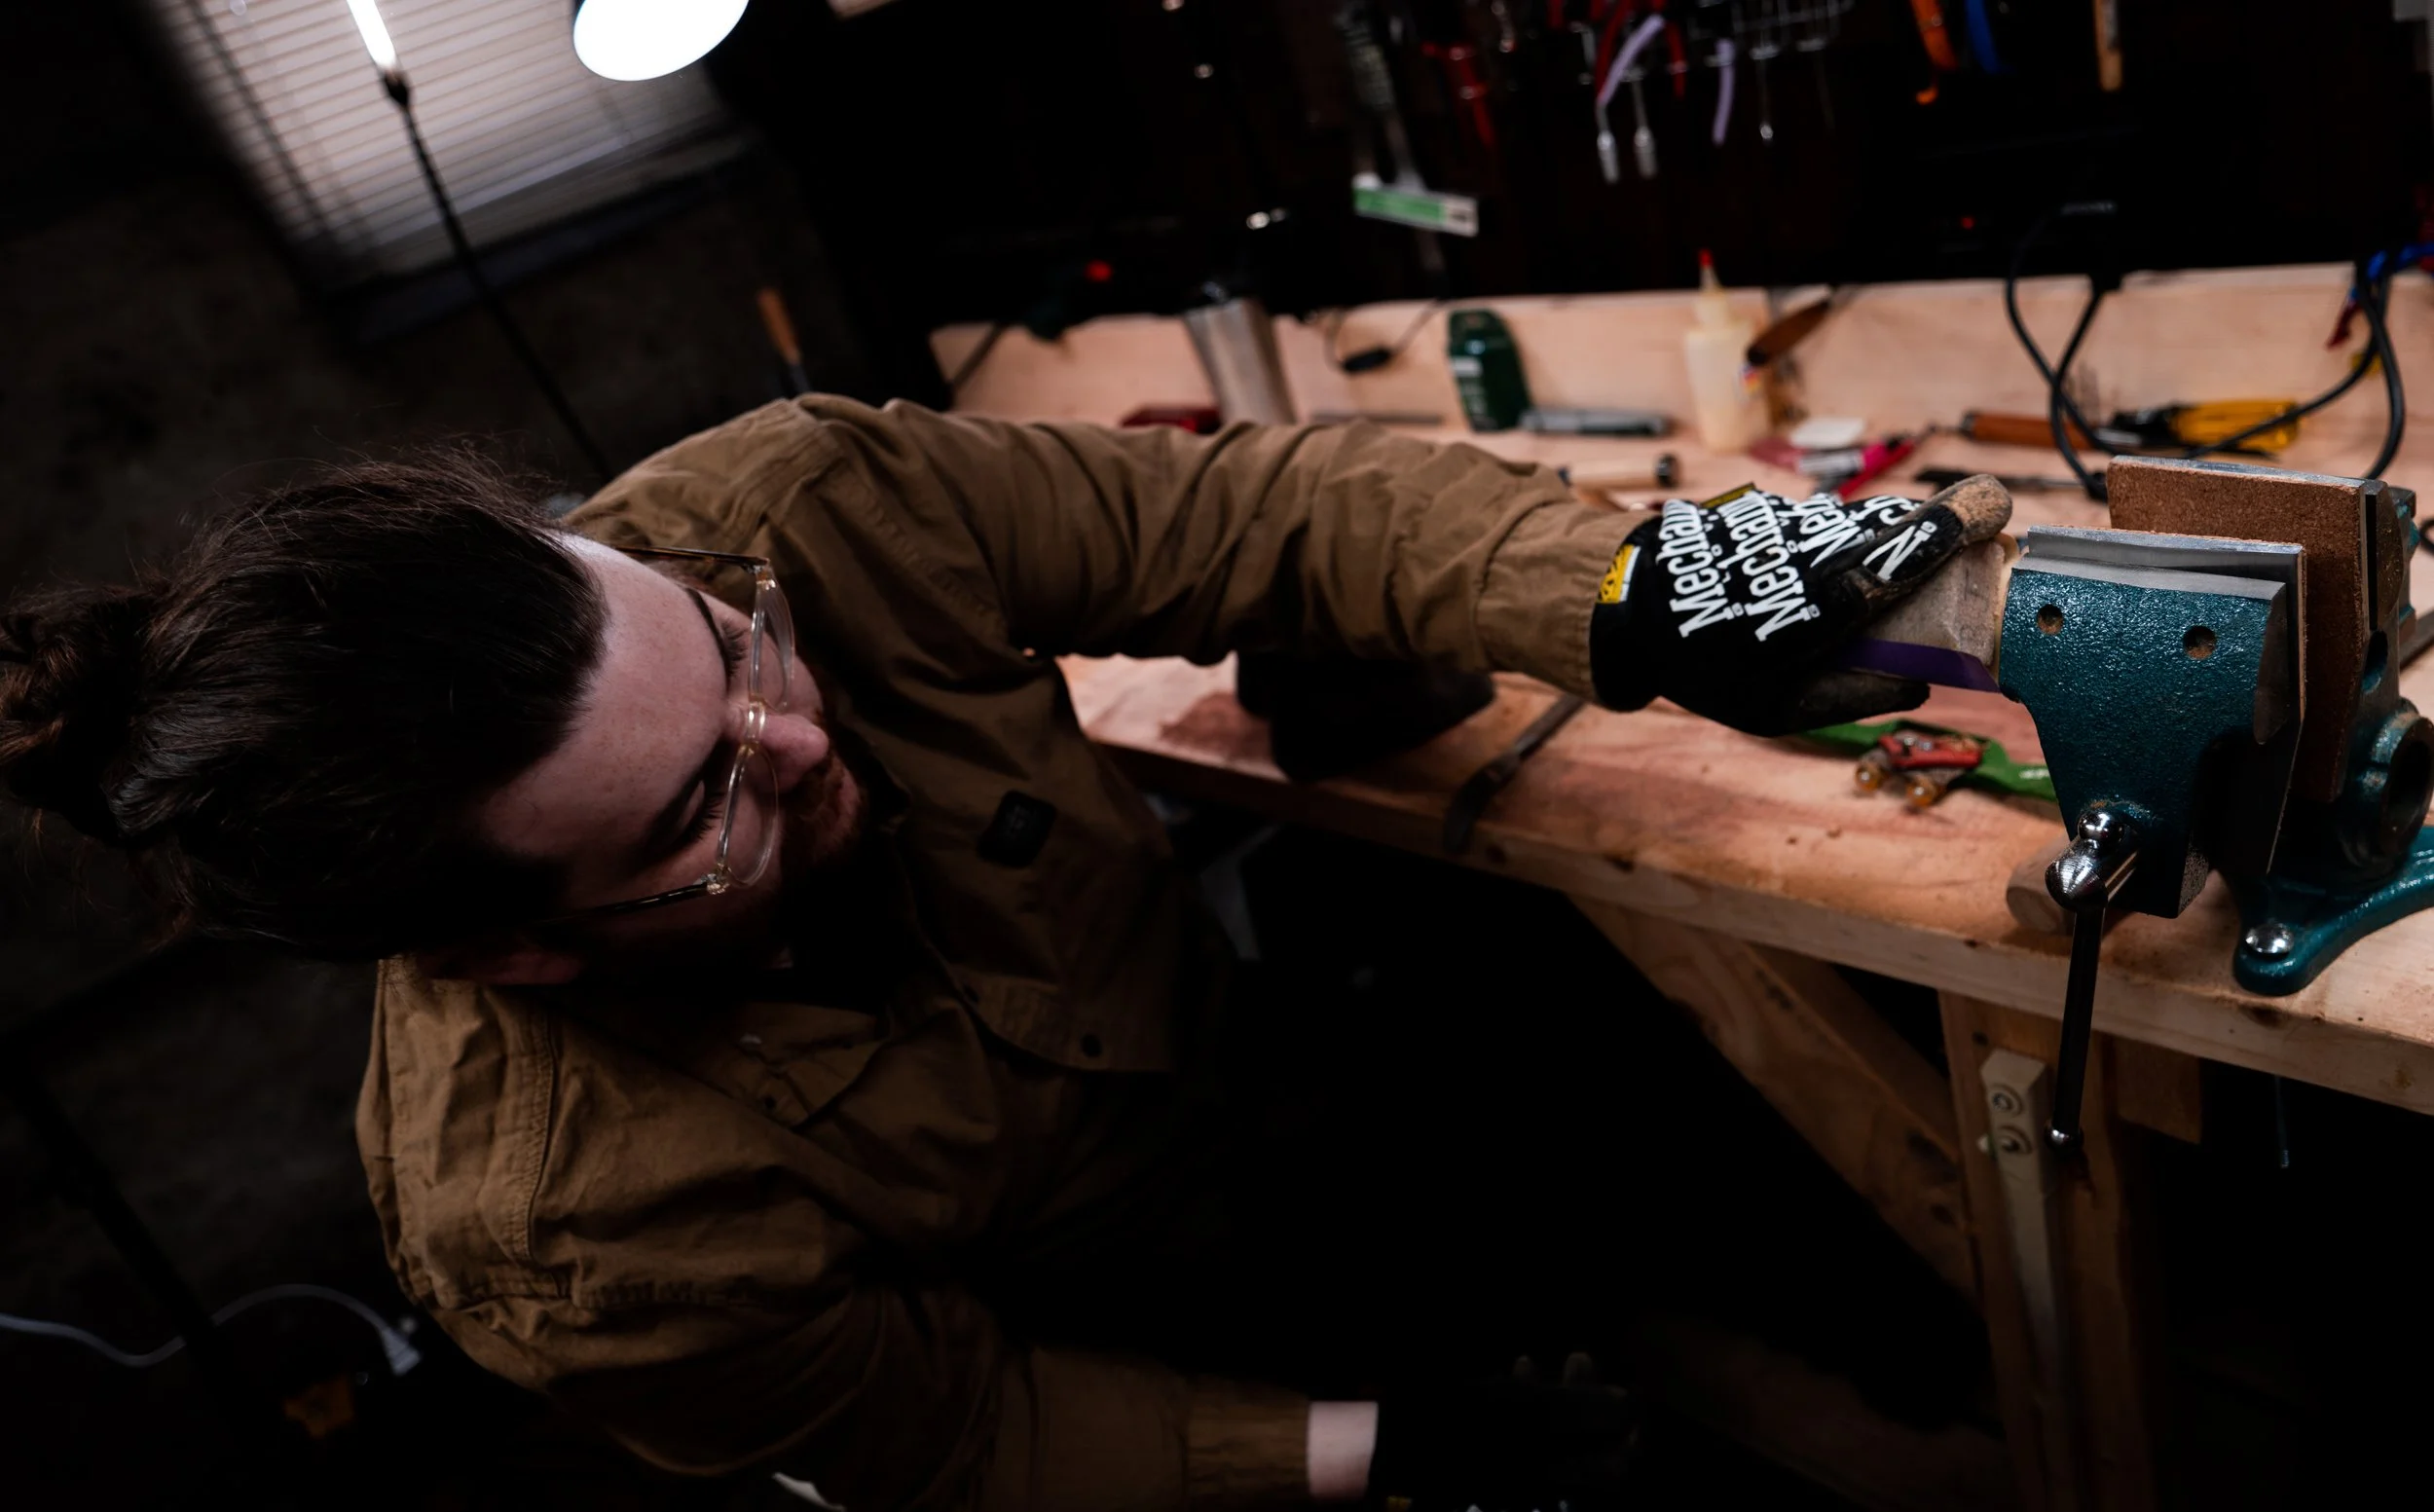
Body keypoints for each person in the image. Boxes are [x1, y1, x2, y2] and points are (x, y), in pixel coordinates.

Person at [0, 397, 2006, 1510]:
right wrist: (1368, 1448)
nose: (798, 737)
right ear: (520, 952)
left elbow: (1269, 514)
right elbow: (969, 1433)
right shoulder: (570, 1231)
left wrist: (1633, 582)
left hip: (1261, 1082)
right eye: (702, 804)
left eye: (730, 652)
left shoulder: (782, 513)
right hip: (1143, 1321)